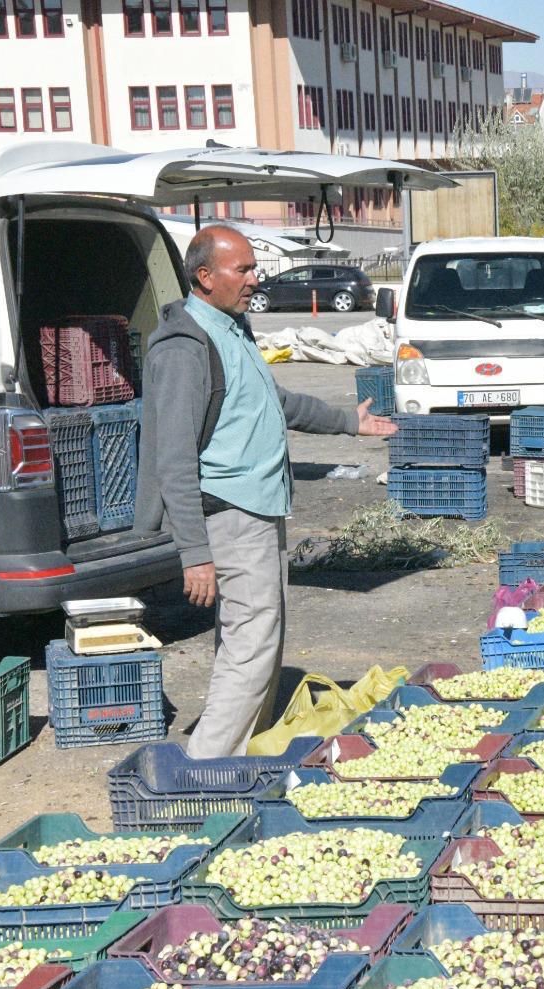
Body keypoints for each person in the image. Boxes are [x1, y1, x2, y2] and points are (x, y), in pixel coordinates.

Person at [135, 225, 398, 758]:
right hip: (228, 513)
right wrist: (195, 553)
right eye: (244, 270)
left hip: (259, 509)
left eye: (255, 268)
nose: (255, 279)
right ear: (205, 277)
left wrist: (348, 422)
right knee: (251, 645)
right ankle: (203, 769)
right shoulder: (185, 349)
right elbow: (174, 461)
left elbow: (274, 401)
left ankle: (236, 761)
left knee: (257, 640)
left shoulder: (232, 329)